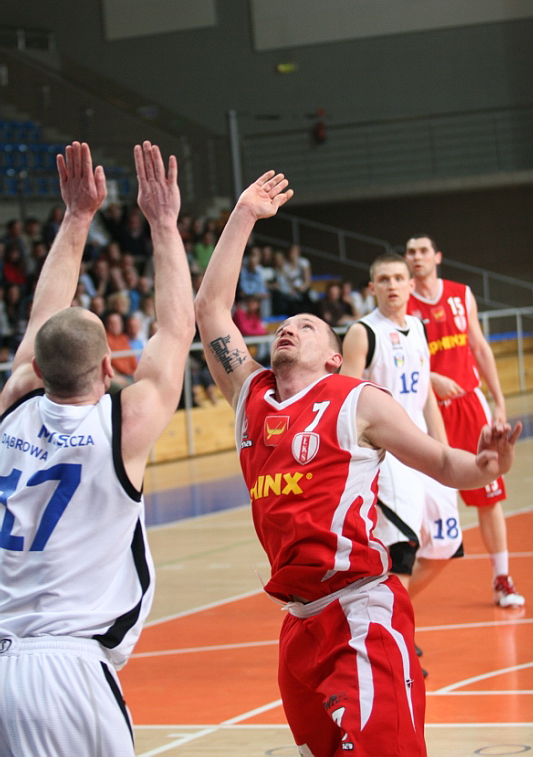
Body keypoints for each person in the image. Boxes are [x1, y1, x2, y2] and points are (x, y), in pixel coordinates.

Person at [194, 171, 521, 757]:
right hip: (299, 623)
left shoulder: (357, 400)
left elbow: (444, 463)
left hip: (360, 608)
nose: (290, 327)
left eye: (307, 326)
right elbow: (212, 308)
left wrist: (488, 466)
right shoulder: (252, 397)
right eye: (285, 324)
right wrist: (242, 215)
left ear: (332, 356)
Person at [0, 140, 194, 756]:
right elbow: (176, 330)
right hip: (66, 667)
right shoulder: (122, 427)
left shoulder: (10, 410)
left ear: (36, 368)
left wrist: (76, 216)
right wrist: (163, 223)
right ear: (109, 368)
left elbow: (41, 322)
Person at [405, 235, 525, 608]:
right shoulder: (401, 301)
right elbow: (398, 360)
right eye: (411, 252)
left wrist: (499, 400)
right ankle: (394, 585)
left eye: (423, 251)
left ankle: (502, 579)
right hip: (427, 410)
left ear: (437, 257)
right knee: (416, 503)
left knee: (489, 495)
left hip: (469, 404)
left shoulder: (461, 294)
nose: (417, 257)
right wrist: (430, 377)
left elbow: (479, 347)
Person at [341, 254, 463, 604]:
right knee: (402, 550)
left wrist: (445, 451)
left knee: (445, 546)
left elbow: (425, 394)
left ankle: (389, 612)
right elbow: (343, 402)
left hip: (423, 447)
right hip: (388, 454)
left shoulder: (419, 327)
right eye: (383, 279)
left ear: (411, 285)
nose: (391, 285)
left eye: (398, 278)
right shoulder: (363, 332)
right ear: (372, 288)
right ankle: (393, 628)